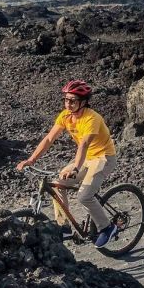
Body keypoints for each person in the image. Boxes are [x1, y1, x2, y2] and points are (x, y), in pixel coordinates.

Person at [16, 80, 119, 248]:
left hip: (103, 158)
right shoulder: (65, 116)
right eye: (66, 99)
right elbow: (49, 139)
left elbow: (84, 145)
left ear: (84, 102)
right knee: (58, 185)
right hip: (86, 157)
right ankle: (65, 227)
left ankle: (107, 228)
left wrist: (75, 168)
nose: (68, 104)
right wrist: (31, 160)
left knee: (84, 196)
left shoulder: (91, 118)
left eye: (73, 100)